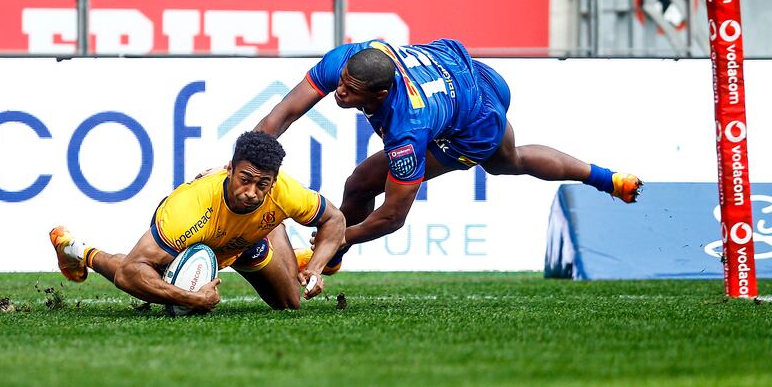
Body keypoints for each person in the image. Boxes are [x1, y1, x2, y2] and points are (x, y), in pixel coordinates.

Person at [255, 39, 642, 274]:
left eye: (350, 92)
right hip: (467, 73)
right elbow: (282, 114)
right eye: (340, 85)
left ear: (379, 95)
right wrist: (243, 161)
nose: (339, 93)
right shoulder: (349, 61)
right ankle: (610, 179)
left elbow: (392, 217)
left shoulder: (406, 130)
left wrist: (335, 238)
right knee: (511, 161)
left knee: (362, 181)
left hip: (473, 121)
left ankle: (337, 251)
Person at [49, 131, 345, 312]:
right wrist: (192, 298)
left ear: (274, 180)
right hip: (196, 240)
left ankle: (296, 256)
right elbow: (129, 273)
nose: (251, 193)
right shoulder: (186, 211)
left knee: (290, 304)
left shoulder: (285, 192)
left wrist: (317, 269)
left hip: (245, 239)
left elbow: (334, 219)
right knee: (153, 282)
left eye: (262, 184)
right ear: (230, 169)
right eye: (244, 180)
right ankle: (78, 250)